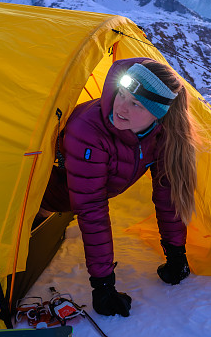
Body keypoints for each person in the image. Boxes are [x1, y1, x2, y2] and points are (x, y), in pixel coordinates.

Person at [39, 57, 198, 317]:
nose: (122, 107)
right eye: (122, 94)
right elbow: (92, 209)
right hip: (43, 199)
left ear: (157, 115)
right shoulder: (88, 130)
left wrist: (176, 253)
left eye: (136, 104)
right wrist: (103, 285)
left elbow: (167, 193)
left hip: (74, 197)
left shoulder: (164, 133)